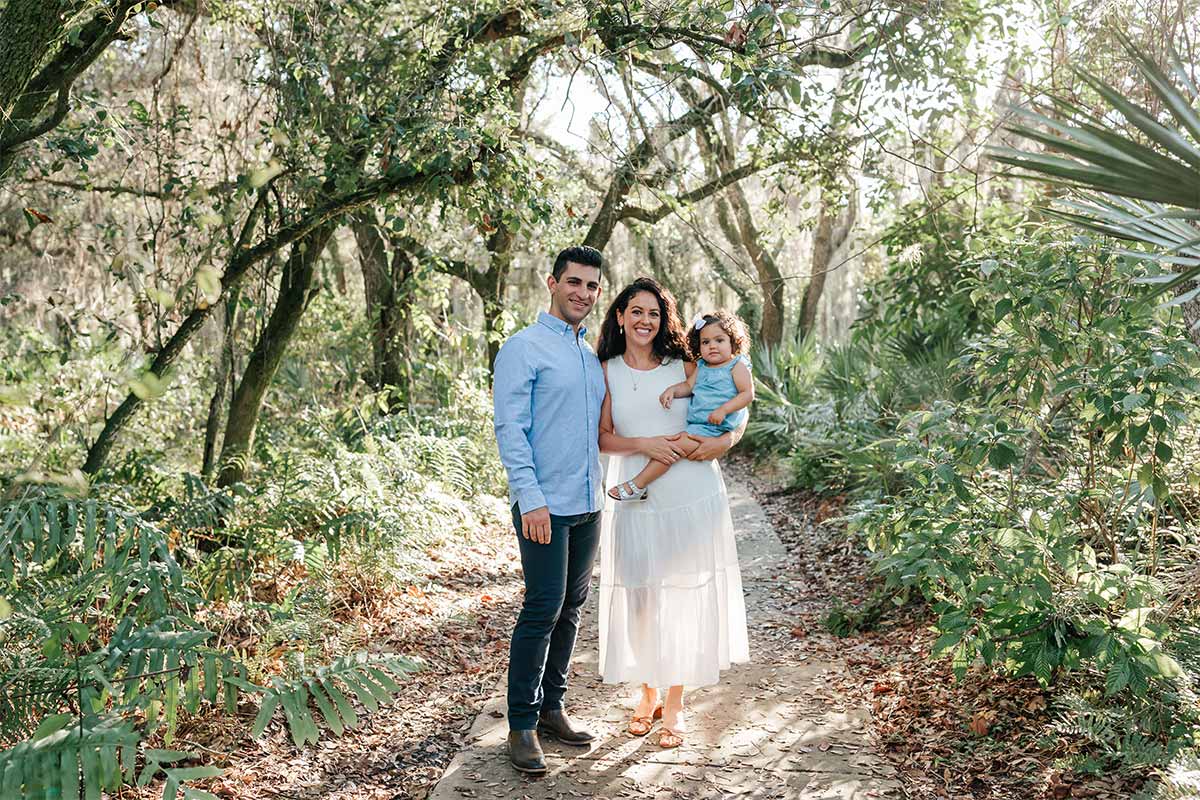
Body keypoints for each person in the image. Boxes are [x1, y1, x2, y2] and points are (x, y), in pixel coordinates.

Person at [595, 277, 751, 750]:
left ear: (665, 321)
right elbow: (603, 437)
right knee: (641, 598)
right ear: (620, 316)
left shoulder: (688, 363)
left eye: (655, 313)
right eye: (636, 311)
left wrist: (725, 441)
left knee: (683, 595)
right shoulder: (605, 369)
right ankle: (647, 694)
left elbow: (734, 412)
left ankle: (676, 703)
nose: (646, 321)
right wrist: (645, 445)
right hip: (634, 497)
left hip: (690, 491)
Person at [492, 245, 606, 776]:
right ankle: (520, 724)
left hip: (587, 503)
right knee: (542, 607)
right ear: (552, 283)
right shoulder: (524, 348)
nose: (583, 293)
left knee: (573, 607)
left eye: (592, 286)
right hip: (545, 505)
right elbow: (510, 429)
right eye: (574, 282)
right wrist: (529, 497)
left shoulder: (589, 355)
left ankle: (552, 708)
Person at [607, 310, 754, 501]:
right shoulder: (701, 366)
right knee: (673, 446)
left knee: (670, 449)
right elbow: (687, 386)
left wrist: (724, 410)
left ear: (733, 341)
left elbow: (747, 394)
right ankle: (639, 485)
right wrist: (672, 391)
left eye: (719, 340)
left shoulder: (736, 365)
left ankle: (638, 485)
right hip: (698, 426)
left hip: (715, 426)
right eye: (706, 342)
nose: (712, 346)